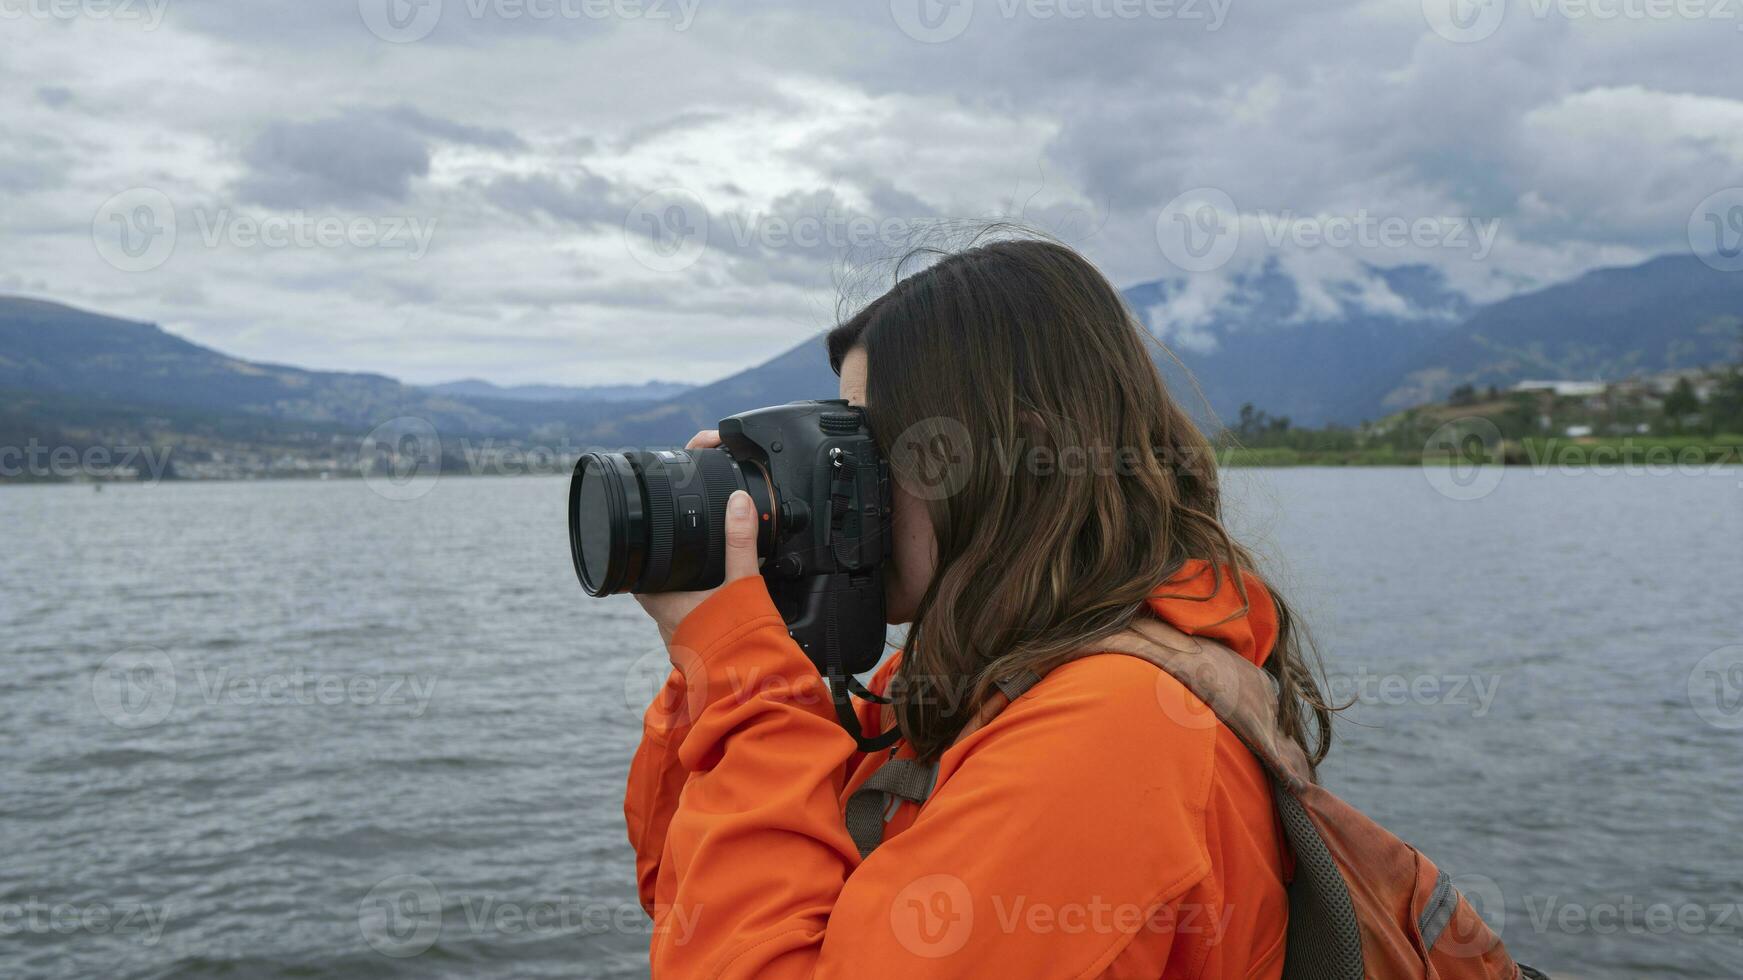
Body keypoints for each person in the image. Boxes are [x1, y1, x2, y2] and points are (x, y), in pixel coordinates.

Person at [623, 236, 1334, 978]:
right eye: (837, 449)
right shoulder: (963, 679)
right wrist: (729, 658)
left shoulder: (1117, 730)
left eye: (867, 448)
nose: (848, 488)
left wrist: (746, 682)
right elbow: (687, 897)